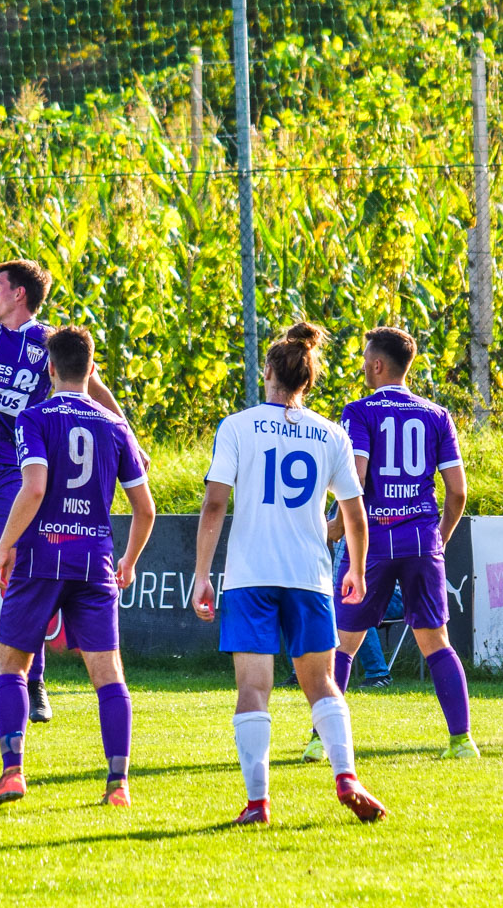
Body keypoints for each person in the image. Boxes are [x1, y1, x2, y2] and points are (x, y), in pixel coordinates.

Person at [191, 322, 387, 826]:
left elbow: (214, 504)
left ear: (269, 372)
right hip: (309, 575)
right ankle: (347, 775)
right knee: (322, 683)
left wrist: (201, 573)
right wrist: (357, 570)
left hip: (251, 576)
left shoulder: (237, 426)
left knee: (253, 690)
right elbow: (354, 515)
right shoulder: (331, 433)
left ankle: (258, 803)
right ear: (308, 379)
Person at [0, 259, 136, 730]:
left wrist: (130, 438)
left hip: (15, 468)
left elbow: (92, 386)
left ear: (19, 294)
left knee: (23, 566)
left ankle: (34, 682)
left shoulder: (46, 342)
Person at [0, 326, 155, 808]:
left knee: (12, 663)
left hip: (40, 557)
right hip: (94, 560)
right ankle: (118, 784)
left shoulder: (33, 417)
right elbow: (145, 509)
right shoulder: (116, 426)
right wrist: (129, 560)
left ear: (49, 369)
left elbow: (34, 487)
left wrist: (4, 546)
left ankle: (12, 773)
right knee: (108, 672)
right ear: (92, 370)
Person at [311, 327, 475, 761]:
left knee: (343, 643)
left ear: (379, 364)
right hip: (422, 540)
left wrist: (336, 526)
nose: (364, 365)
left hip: (374, 541)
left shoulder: (359, 411)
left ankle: (320, 741)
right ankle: (462, 741)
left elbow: (356, 479)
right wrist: (438, 540)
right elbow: (458, 492)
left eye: (366, 358)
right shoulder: (437, 414)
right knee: (436, 642)